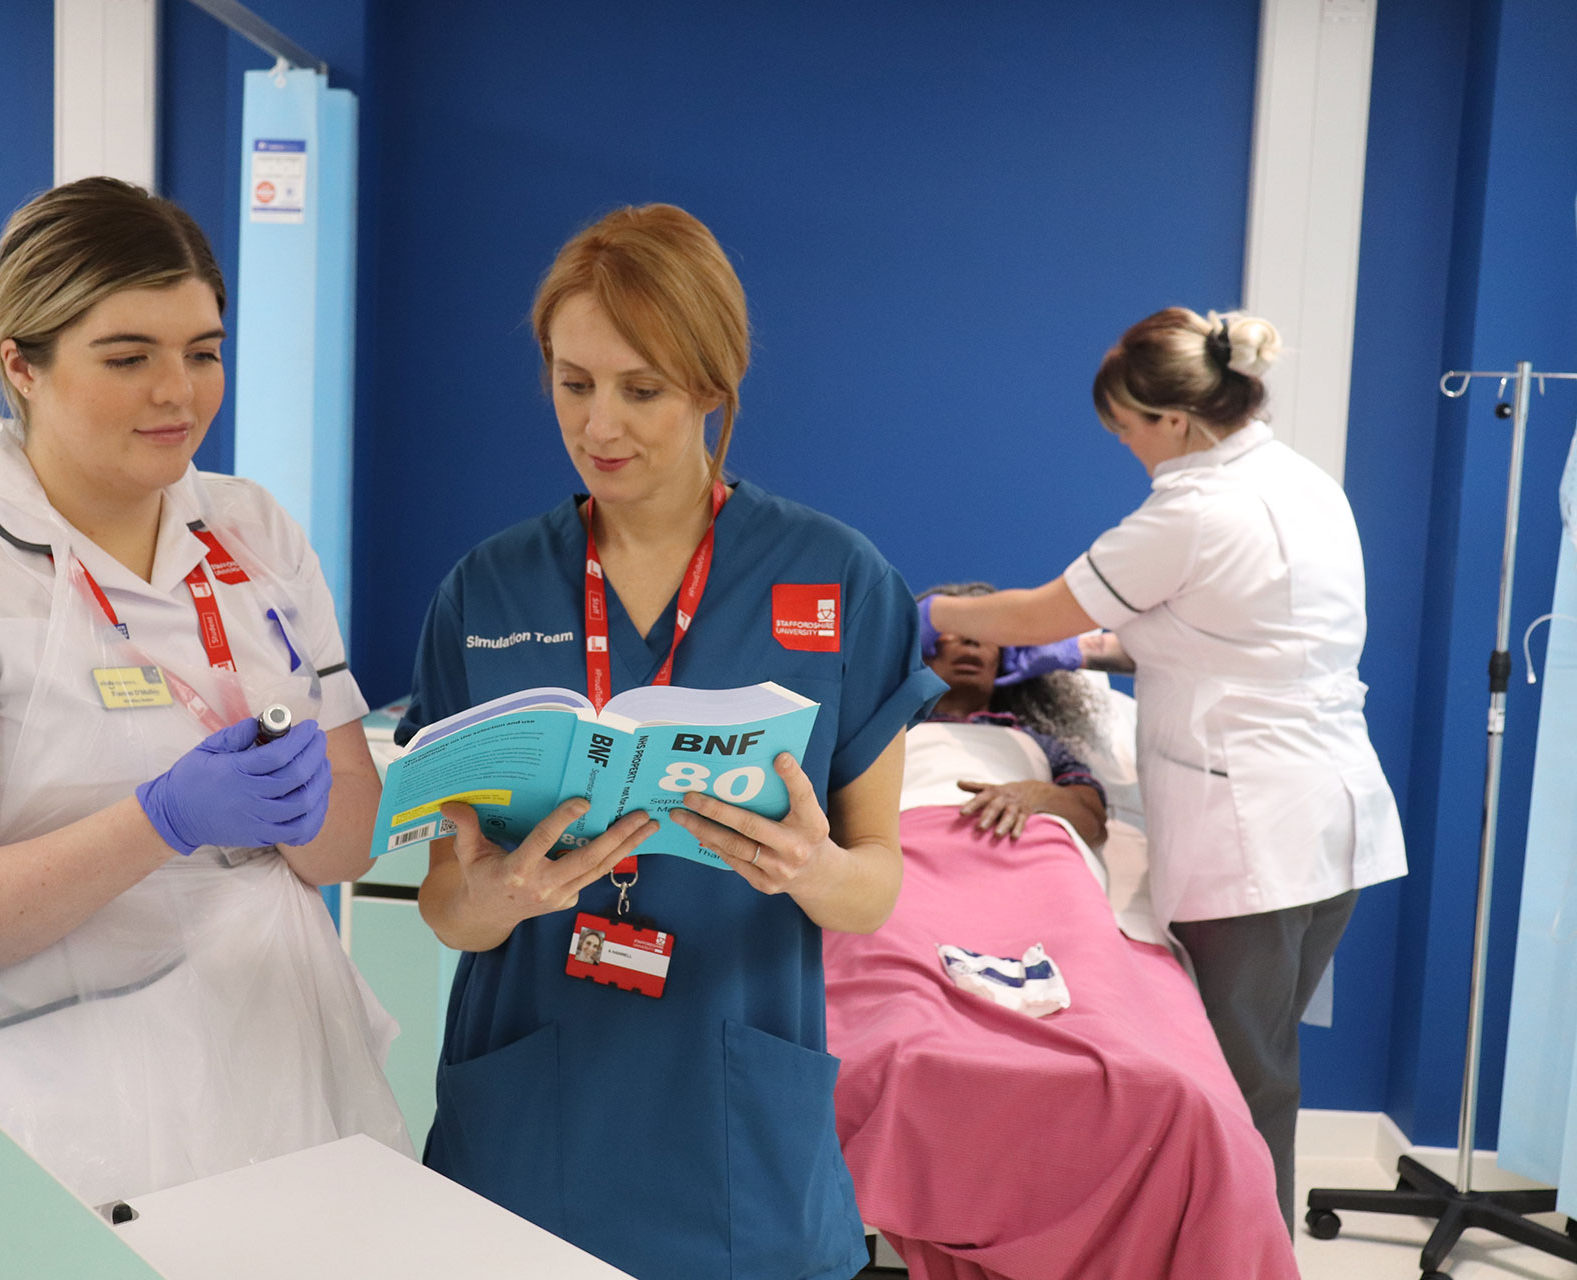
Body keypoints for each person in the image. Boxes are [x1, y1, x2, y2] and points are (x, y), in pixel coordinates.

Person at [0, 177, 408, 1204]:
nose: (178, 392)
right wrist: (160, 820)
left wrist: (308, 807)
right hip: (65, 1111)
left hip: (286, 1064)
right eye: (129, 356)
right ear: (24, 365)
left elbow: (348, 840)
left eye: (203, 350)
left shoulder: (254, 530)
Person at [396, 204, 942, 1279]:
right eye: (573, 381)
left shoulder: (835, 578)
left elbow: (876, 886)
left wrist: (810, 867)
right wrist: (496, 896)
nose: (601, 424)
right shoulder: (485, 588)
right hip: (530, 1112)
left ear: (711, 381)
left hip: (736, 1122)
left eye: (640, 388)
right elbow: (444, 907)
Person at [920, 307, 1407, 1227]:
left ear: (1173, 420)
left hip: (1254, 833)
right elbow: (1219, 635)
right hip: (1329, 816)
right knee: (1257, 1065)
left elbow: (1032, 614)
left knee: (1234, 1082)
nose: (1129, 449)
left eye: (1128, 430)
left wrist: (924, 615)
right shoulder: (1302, 483)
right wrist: (1081, 656)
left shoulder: (1189, 508)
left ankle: (1243, 1256)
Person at [915, 582, 1107, 849]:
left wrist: (1034, 794)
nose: (971, 638)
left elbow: (1094, 825)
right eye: (949, 629)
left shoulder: (1040, 743)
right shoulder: (876, 731)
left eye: (986, 632)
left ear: (1005, 659)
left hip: (1030, 861)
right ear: (916, 649)